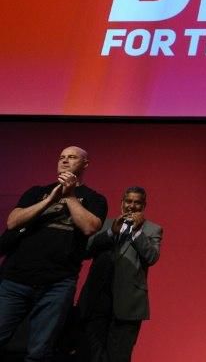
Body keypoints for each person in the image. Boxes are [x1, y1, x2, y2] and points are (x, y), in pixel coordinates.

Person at [0, 146, 107, 362]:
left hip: (57, 284)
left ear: (85, 164)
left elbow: (89, 227)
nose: (65, 161)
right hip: (15, 280)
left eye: (72, 157)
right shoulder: (36, 191)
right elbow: (13, 221)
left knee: (40, 351)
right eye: (62, 158)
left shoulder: (94, 198)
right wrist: (49, 200)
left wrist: (69, 196)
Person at [77, 186, 162, 362]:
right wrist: (110, 233)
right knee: (91, 353)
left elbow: (152, 257)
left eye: (137, 202)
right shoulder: (105, 223)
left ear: (144, 205)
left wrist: (137, 232)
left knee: (119, 355)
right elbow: (86, 250)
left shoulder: (152, 229)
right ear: (121, 203)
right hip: (97, 298)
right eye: (128, 201)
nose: (132, 206)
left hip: (128, 303)